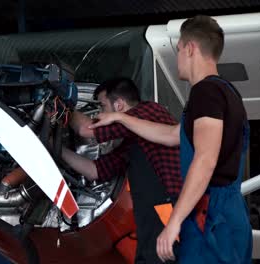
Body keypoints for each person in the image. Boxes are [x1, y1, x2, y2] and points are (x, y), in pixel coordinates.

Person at [89, 15, 252, 263]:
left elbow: (205, 159)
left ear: (190, 48)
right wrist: (121, 119)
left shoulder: (205, 92)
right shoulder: (227, 93)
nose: (177, 58)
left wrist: (174, 221)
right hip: (225, 217)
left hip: (211, 219)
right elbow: (171, 135)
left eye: (177, 50)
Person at [62, 77, 182, 263]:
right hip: (151, 217)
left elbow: (87, 130)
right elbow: (95, 170)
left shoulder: (147, 111)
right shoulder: (133, 139)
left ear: (119, 105)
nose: (100, 114)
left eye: (102, 107)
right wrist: (56, 151)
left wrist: (61, 105)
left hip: (166, 214)